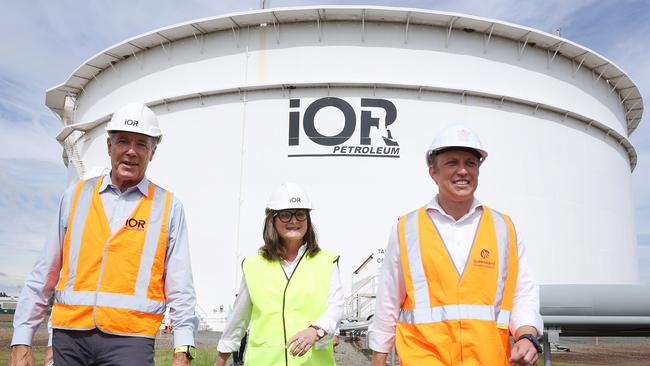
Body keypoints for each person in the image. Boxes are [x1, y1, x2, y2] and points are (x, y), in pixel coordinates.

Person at [8, 103, 199, 366]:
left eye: (142, 144)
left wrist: (183, 348)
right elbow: (44, 273)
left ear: (153, 152)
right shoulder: (75, 196)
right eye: (123, 141)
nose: (131, 152)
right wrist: (22, 340)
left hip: (131, 341)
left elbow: (180, 285)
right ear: (109, 146)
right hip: (70, 338)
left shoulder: (168, 207)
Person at [368, 124, 544, 366]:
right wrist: (379, 358)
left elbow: (522, 293)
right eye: (452, 163)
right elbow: (388, 299)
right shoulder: (407, 229)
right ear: (433, 172)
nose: (463, 171)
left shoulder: (503, 228)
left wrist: (526, 335)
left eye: (470, 163)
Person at [215, 182, 344, 366]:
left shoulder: (327, 261)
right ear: (272, 220)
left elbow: (336, 307)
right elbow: (238, 318)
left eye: (300, 214)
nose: (294, 221)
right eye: (285, 215)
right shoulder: (254, 265)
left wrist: (317, 331)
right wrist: (220, 359)